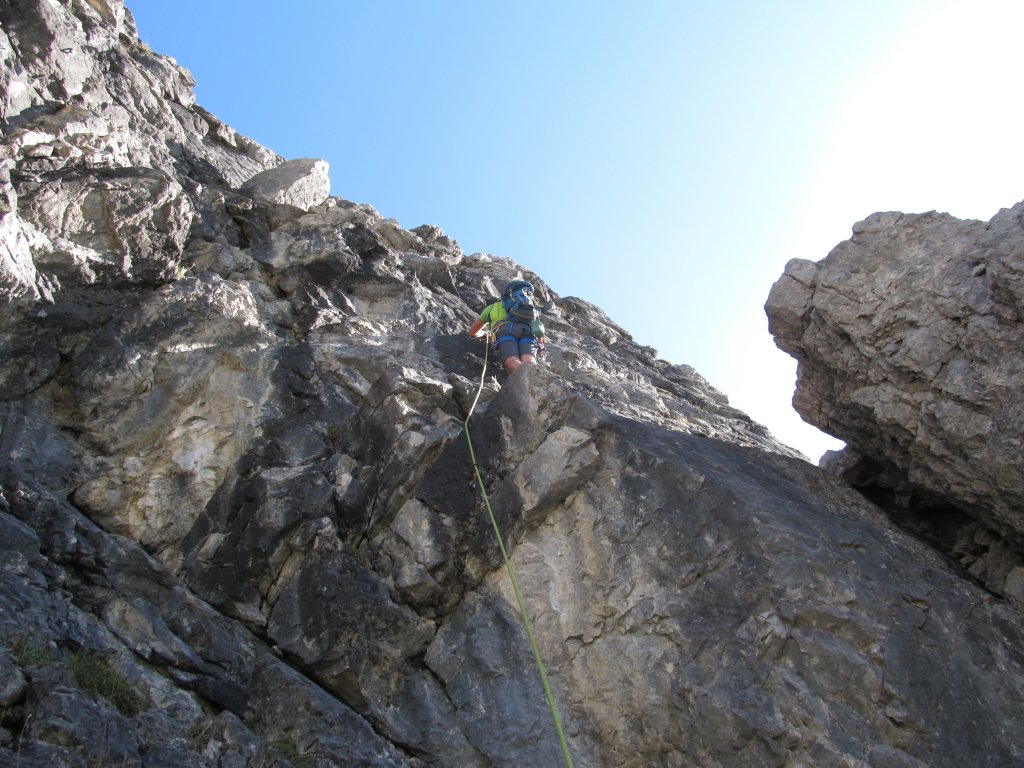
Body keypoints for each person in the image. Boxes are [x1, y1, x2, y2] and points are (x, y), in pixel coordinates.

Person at [466, 280, 545, 374]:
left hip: (506, 332)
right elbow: (538, 330)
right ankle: (538, 381)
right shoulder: (531, 309)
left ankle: (522, 380)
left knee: (512, 361)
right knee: (529, 360)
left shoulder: (493, 307)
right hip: (527, 333)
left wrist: (485, 334)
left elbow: (472, 332)